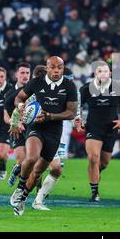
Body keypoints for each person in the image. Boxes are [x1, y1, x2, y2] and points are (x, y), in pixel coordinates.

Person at [9, 56, 78, 216]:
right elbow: (19, 97)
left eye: (59, 67)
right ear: (47, 68)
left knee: (38, 171)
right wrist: (21, 107)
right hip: (36, 127)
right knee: (32, 158)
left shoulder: (69, 86)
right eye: (53, 67)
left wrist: (50, 116)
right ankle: (20, 188)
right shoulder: (37, 82)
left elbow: (71, 112)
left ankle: (23, 199)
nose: (56, 70)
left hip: (54, 132)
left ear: (63, 68)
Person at [74, 61, 120, 202]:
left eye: (106, 71)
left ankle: (94, 174)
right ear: (95, 73)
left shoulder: (118, 87)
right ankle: (95, 192)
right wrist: (78, 118)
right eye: (100, 71)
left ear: (110, 74)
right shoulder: (87, 88)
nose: (103, 74)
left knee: (104, 162)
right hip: (94, 127)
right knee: (93, 158)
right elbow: (77, 105)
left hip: (111, 128)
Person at [4, 62, 32, 187]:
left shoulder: (35, 91)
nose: (25, 76)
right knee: (22, 160)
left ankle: (34, 192)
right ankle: (17, 169)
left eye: (27, 73)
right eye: (22, 73)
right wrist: (14, 123)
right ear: (16, 74)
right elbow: (5, 115)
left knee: (33, 162)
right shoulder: (9, 94)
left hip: (33, 129)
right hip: (17, 131)